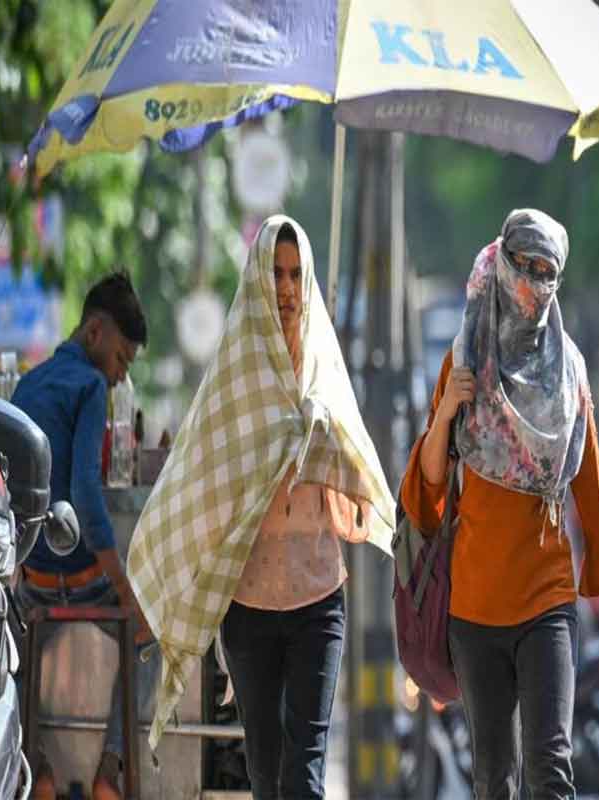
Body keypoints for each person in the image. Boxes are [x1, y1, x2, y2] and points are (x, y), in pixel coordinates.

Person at [126, 216, 396, 799]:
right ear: (255, 280)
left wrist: (321, 440)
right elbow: (202, 475)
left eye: (297, 274)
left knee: (305, 777)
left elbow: (354, 478)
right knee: (267, 777)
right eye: (275, 273)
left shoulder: (326, 372)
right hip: (247, 607)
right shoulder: (232, 378)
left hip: (318, 600)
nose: (287, 287)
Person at [400, 209, 599, 799]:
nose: (533, 283)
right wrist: (446, 417)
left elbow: (592, 491)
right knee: (493, 780)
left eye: (546, 272)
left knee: (549, 769)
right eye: (524, 267)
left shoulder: (571, 374)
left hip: (547, 601)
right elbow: (427, 499)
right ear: (501, 264)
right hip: (475, 609)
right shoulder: (462, 363)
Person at [10, 271, 160, 800]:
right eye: (121, 357)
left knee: (6, 640)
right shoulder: (90, 386)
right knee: (150, 636)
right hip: (81, 580)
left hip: (35, 584)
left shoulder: (28, 384)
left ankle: (38, 763)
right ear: (95, 332)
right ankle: (111, 769)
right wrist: (122, 586)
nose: (120, 376)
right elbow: (84, 493)